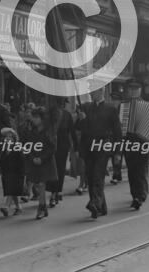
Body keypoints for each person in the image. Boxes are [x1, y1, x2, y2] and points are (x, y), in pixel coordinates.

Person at [76, 85, 122, 219]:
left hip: (103, 146)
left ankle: (94, 202)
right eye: (89, 90)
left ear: (101, 91)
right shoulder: (85, 107)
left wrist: (118, 152)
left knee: (98, 174)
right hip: (88, 147)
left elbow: (117, 132)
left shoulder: (111, 109)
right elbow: (79, 128)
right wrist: (81, 119)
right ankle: (101, 207)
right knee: (90, 176)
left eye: (93, 91)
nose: (90, 93)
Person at [20, 106, 57, 220]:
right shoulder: (31, 131)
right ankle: (43, 207)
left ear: (42, 118)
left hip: (45, 161)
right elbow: (26, 145)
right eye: (33, 117)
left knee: (41, 184)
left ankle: (41, 207)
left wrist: (42, 158)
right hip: (33, 160)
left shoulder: (48, 131)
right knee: (37, 184)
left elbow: (52, 147)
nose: (34, 120)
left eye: (36, 117)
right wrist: (31, 157)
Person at [122, 79, 149, 210]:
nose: (133, 92)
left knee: (140, 169)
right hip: (129, 142)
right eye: (131, 90)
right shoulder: (124, 107)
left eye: (135, 90)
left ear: (139, 91)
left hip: (143, 142)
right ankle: (135, 194)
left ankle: (140, 195)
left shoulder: (146, 106)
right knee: (132, 171)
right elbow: (121, 126)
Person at [46, 97, 78, 207]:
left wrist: (76, 147)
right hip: (55, 146)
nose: (63, 105)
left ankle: (56, 192)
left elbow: (72, 132)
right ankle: (55, 192)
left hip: (59, 146)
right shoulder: (53, 114)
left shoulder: (65, 115)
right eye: (62, 102)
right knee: (55, 170)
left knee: (58, 169)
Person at [0, 127, 25, 217]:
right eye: (6, 137)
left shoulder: (18, 148)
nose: (8, 139)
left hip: (16, 174)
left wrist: (22, 173)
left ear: (14, 138)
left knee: (11, 190)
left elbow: (21, 162)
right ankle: (18, 207)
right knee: (13, 192)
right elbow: (2, 160)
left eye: (10, 137)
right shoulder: (3, 149)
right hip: (7, 174)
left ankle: (6, 207)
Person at [109, 91, 125, 185]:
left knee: (118, 156)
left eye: (116, 100)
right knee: (114, 156)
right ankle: (117, 175)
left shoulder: (123, 111)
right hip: (111, 136)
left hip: (121, 136)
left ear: (119, 101)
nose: (114, 102)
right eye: (113, 100)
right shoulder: (109, 110)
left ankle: (116, 175)